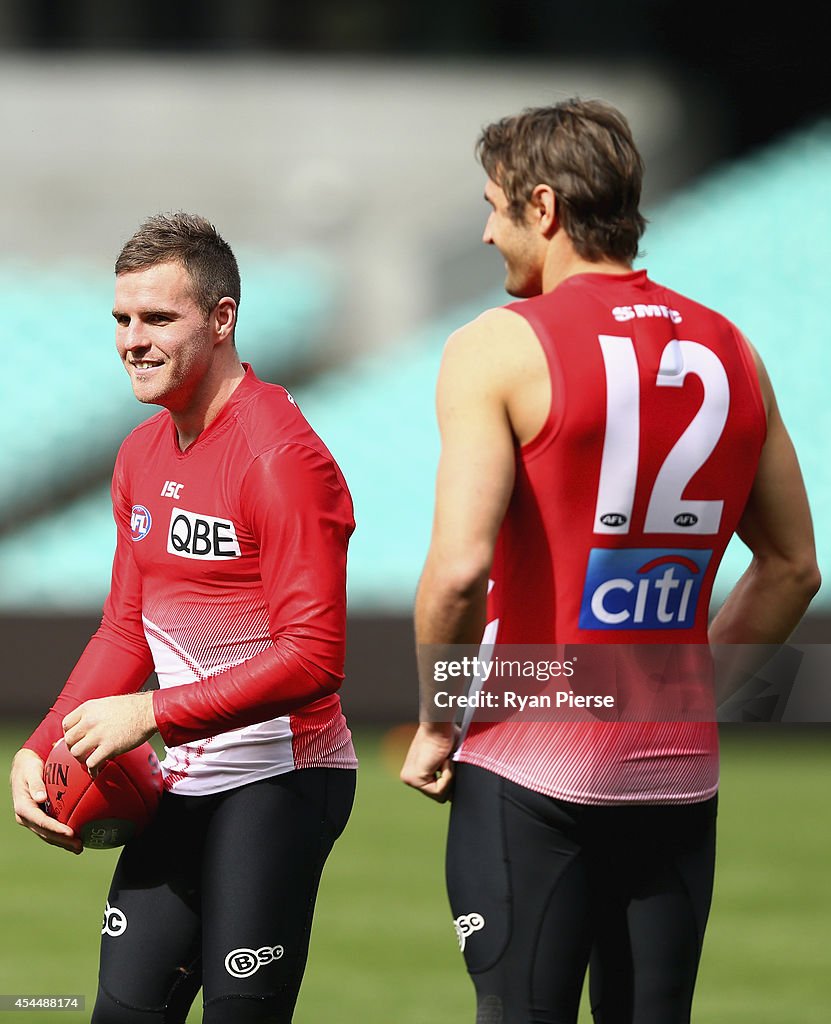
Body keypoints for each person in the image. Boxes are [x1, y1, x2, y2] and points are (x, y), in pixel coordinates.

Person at [401, 99, 820, 1023]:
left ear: (542, 209)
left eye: (494, 206)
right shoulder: (732, 351)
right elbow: (792, 567)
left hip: (531, 761)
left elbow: (461, 572)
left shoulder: (496, 346)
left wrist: (435, 723)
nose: (484, 229)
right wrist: (695, 692)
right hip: (676, 769)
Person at [10, 213, 358, 1024]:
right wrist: (40, 746)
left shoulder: (281, 459)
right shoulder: (140, 453)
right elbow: (126, 629)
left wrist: (152, 712)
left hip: (283, 778)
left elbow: (314, 660)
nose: (133, 340)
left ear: (223, 319)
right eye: (122, 320)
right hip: (183, 779)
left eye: (159, 318)